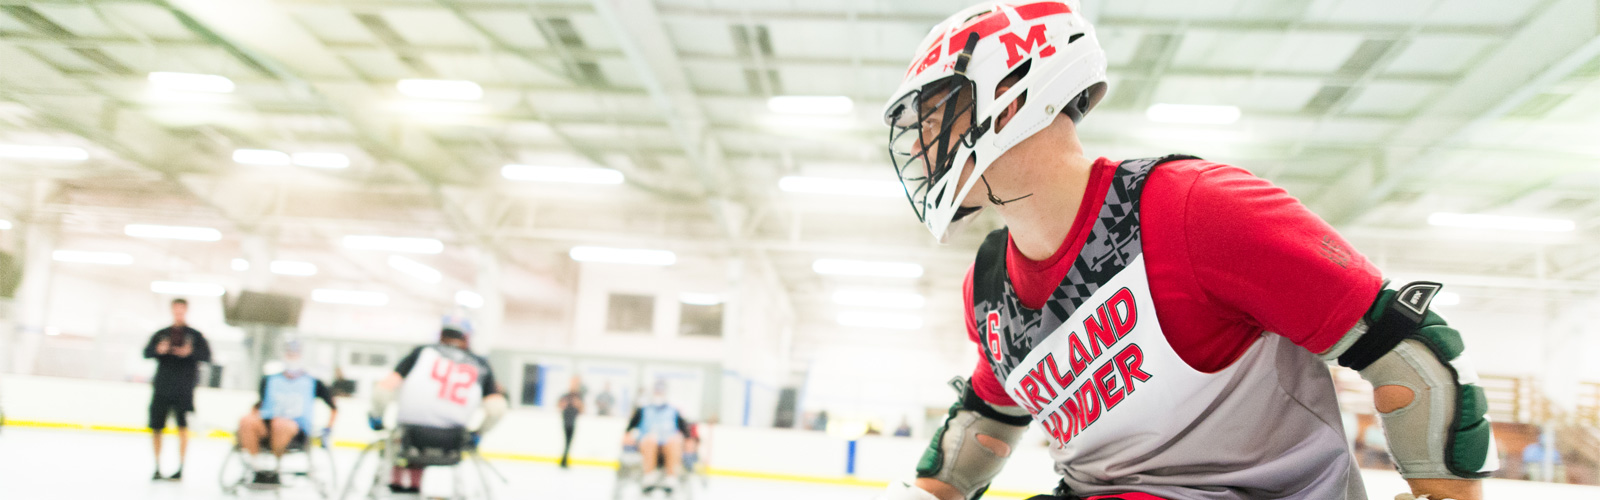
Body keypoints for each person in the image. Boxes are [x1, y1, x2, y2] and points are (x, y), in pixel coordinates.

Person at [877, 2, 1496, 500]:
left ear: (1013, 96)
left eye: (940, 112)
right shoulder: (988, 284)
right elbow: (989, 416)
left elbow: (1411, 353)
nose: (925, 139)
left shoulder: (1193, 208)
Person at [368, 327, 507, 494]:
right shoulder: (480, 364)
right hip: (453, 441)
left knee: (401, 447)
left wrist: (377, 417)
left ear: (440, 338)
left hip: (410, 435)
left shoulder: (422, 352)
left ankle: (400, 485)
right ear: (466, 341)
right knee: (416, 450)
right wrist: (478, 433)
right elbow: (497, 409)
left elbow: (383, 390)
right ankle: (413, 486)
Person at [236, 342, 337, 484]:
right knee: (247, 421)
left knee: (281, 424)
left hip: (296, 429)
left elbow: (333, 407)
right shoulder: (270, 379)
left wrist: (328, 429)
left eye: (295, 354)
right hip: (268, 424)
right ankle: (256, 467)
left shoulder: (313, 382)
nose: (292, 357)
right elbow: (259, 404)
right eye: (289, 353)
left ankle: (275, 469)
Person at [142, 298, 211, 481]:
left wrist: (190, 353)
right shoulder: (161, 334)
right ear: (172, 310)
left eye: (182, 310)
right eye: (176, 310)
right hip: (162, 388)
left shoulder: (195, 336)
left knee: (183, 427)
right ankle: (157, 466)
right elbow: (147, 353)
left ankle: (180, 467)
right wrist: (159, 349)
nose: (179, 313)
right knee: (157, 427)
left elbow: (207, 356)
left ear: (186, 311)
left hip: (184, 389)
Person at [624, 380, 692, 494]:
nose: (659, 394)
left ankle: (671, 477)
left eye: (661, 391)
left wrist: (689, 443)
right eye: (657, 391)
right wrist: (628, 437)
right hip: (648, 446)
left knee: (675, 440)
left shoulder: (673, 411)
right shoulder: (643, 410)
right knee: (650, 439)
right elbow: (628, 430)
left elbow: (687, 434)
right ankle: (649, 476)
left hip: (668, 447)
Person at [558, 376, 585, 468]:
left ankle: (564, 460)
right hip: (566, 421)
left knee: (569, 442)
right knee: (567, 442)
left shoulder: (578, 396)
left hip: (573, 422)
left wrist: (577, 404)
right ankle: (563, 461)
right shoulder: (566, 396)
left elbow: (582, 409)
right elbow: (559, 405)